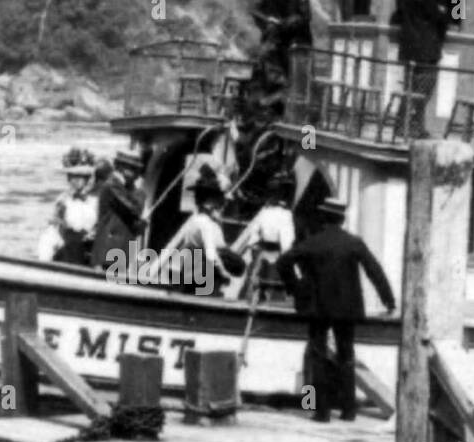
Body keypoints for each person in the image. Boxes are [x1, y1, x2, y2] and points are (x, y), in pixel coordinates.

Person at [278, 197, 396, 423]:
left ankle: (320, 411)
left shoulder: (312, 243)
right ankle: (348, 410)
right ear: (342, 218)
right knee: (346, 355)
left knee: (317, 356)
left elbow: (283, 263)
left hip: (317, 306)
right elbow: (375, 271)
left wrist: (296, 287)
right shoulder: (353, 243)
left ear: (323, 217)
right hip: (346, 307)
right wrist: (388, 301)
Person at [154, 172, 235, 296]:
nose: (224, 203)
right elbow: (211, 255)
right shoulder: (204, 223)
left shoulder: (200, 220)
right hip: (195, 277)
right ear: (210, 201)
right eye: (221, 199)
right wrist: (225, 274)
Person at [391, 0, 449, 106]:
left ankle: (404, 126)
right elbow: (438, 17)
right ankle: (414, 128)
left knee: (409, 90)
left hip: (408, 49)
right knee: (422, 92)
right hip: (426, 50)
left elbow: (398, 16)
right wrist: (448, 14)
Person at [232, 172, 296, 303]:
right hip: (275, 259)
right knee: (273, 293)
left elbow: (252, 240)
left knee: (252, 287)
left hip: (260, 257)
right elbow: (286, 245)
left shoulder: (264, 212)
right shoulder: (285, 214)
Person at [252, 0, 312, 87]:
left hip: (295, 38)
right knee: (264, 53)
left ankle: (281, 81)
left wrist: (283, 23)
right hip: (276, 35)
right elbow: (256, 10)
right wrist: (268, 20)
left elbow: (305, 16)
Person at [92, 149, 146, 270]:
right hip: (106, 253)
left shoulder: (138, 193)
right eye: (126, 167)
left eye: (133, 169)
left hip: (124, 253)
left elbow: (136, 210)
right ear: (118, 168)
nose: (129, 172)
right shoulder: (111, 186)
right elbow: (134, 209)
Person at [48, 154, 99, 266]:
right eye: (72, 177)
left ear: (87, 179)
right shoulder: (63, 201)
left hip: (90, 251)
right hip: (68, 250)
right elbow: (55, 227)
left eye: (80, 177)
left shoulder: (95, 201)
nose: (76, 181)